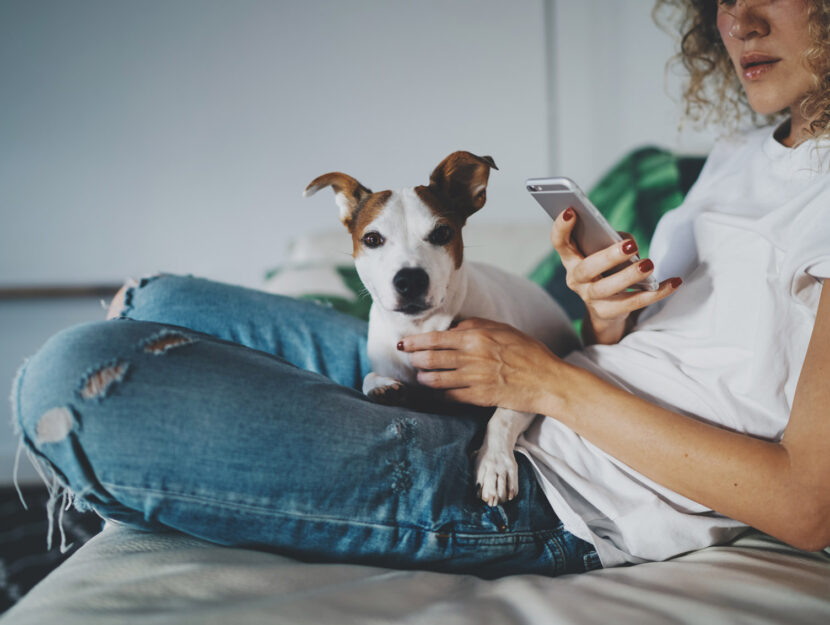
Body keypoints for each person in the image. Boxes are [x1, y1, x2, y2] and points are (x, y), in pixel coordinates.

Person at [10, 0, 829, 578]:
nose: (738, 20)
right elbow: (674, 357)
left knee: (76, 379)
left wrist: (547, 382)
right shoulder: (740, 153)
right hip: (537, 388)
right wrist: (605, 318)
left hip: (557, 488)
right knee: (158, 299)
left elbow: (807, 505)